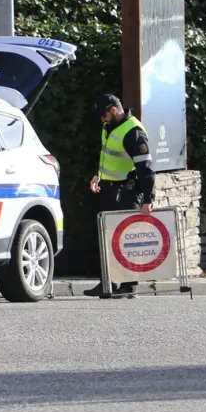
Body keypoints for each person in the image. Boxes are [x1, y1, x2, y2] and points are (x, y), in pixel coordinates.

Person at [83, 94, 156, 297]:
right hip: (111, 189)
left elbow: (146, 168)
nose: (101, 119)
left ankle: (129, 285)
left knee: (125, 238)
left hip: (129, 190)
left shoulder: (133, 132)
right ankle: (108, 283)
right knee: (108, 237)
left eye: (103, 115)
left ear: (114, 110)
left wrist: (149, 199)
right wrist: (99, 175)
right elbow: (108, 156)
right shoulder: (109, 127)